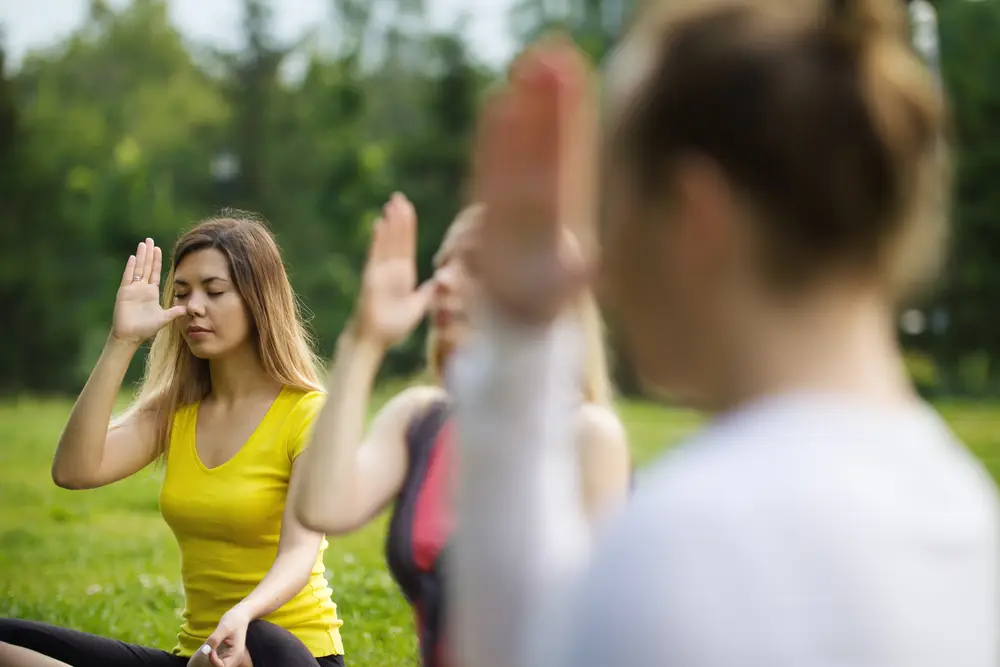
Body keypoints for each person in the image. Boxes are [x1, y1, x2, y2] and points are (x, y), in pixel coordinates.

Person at [447, 2, 999, 667]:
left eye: (618, 212)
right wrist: (520, 340)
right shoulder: (970, 522)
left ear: (693, 214)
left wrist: (512, 348)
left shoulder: (682, 551)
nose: (603, 271)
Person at [293, 193, 631, 667]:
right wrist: (365, 340)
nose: (444, 281)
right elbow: (321, 506)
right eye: (442, 264)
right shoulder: (421, 419)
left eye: (473, 264)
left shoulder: (588, 437)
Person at [0, 216, 347, 667]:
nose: (192, 307)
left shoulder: (308, 412)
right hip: (198, 658)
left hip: (285, 655)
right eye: (182, 294)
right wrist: (122, 341)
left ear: (258, 299)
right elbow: (73, 471)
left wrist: (240, 616)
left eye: (214, 291)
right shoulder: (176, 410)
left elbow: (300, 553)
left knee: (264, 639)